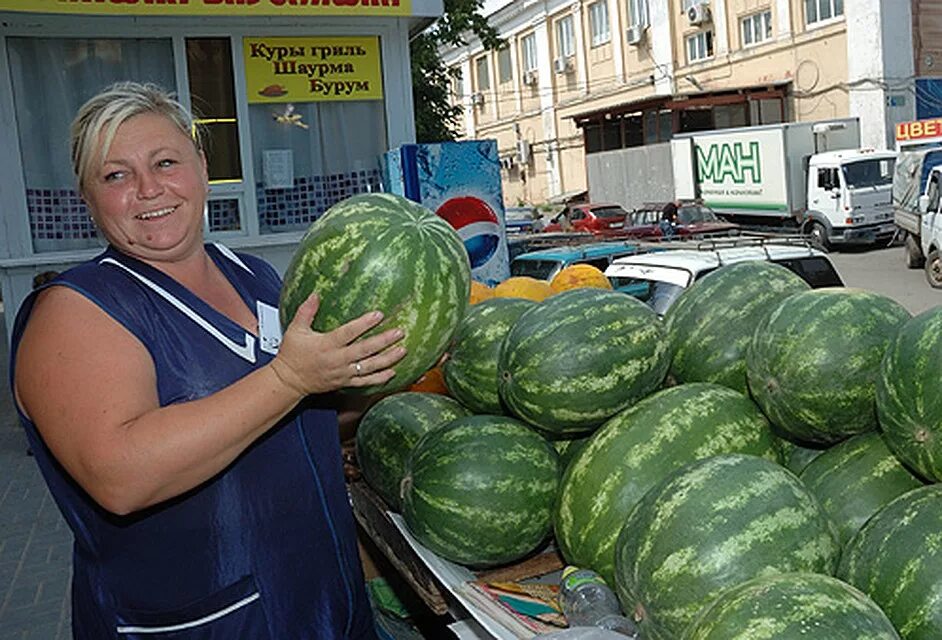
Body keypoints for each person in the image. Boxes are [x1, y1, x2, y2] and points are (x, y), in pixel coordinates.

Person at [10, 82, 405, 639]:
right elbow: (120, 475)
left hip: (323, 605)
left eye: (165, 162)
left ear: (200, 166)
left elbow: (295, 421)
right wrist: (290, 377)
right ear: (88, 197)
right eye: (115, 175)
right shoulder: (76, 310)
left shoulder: (257, 278)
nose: (148, 189)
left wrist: (373, 376)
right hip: (206, 624)